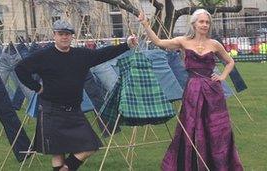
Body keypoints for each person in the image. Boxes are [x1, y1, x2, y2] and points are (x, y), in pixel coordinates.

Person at [15, 20, 138, 171]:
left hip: (74, 110)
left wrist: (126, 45)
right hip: (51, 110)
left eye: (67, 34)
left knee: (90, 146)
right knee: (58, 151)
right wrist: (36, 87)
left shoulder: (81, 55)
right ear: (54, 35)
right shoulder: (43, 55)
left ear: (72, 36)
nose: (64, 37)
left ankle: (67, 168)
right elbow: (20, 68)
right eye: (61, 34)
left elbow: (103, 54)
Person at [139, 9, 243, 170]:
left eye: (207, 22)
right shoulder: (183, 41)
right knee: (192, 126)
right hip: (193, 91)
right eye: (201, 21)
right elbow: (159, 42)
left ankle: (219, 164)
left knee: (217, 128)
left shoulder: (215, 44)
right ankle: (191, 164)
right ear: (194, 24)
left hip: (213, 92)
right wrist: (146, 24)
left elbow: (230, 62)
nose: (205, 25)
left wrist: (222, 77)